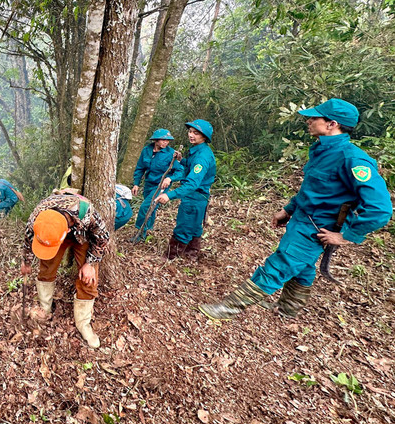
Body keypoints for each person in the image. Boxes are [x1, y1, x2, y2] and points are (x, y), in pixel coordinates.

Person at [200, 99, 392, 319]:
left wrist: (346, 236)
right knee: (303, 266)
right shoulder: (321, 149)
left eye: (314, 118)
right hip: (302, 219)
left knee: (280, 264)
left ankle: (228, 308)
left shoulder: (352, 159)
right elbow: (314, 188)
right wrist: (288, 209)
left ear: (332, 124)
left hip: (316, 229)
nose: (309, 121)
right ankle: (288, 309)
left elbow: (380, 208)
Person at [20, 190, 110, 348]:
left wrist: (90, 263)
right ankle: (45, 309)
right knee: (46, 266)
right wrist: (26, 262)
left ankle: (83, 323)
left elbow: (103, 238)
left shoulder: (88, 213)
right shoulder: (37, 217)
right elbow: (28, 239)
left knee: (89, 277)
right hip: (53, 233)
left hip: (82, 235)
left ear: (67, 232)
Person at [155, 120, 217, 259]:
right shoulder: (198, 151)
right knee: (195, 227)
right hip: (199, 197)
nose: (191, 135)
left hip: (194, 197)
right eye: (190, 132)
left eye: (196, 133)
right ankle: (191, 255)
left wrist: (169, 195)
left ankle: (170, 258)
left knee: (184, 226)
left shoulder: (202, 157)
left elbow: (192, 184)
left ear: (204, 137)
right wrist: (181, 160)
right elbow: (190, 167)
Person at [130, 129, 184, 242]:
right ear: (156, 140)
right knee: (152, 208)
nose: (166, 142)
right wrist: (136, 184)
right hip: (149, 184)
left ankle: (140, 233)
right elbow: (140, 168)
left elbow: (180, 171)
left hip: (161, 186)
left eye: (168, 140)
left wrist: (170, 178)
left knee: (146, 206)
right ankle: (148, 230)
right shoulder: (147, 151)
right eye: (163, 140)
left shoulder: (171, 154)